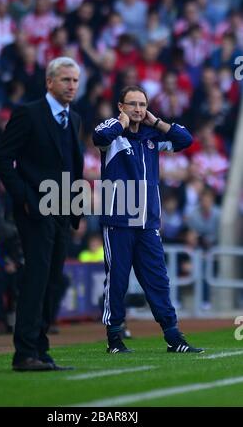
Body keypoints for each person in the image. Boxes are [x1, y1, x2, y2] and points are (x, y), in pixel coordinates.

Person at [93, 85, 204, 354]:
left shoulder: (151, 134)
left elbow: (185, 140)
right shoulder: (113, 131)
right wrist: (120, 123)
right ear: (121, 106)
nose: (138, 110)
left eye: (143, 104)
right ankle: (115, 338)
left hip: (148, 223)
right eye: (132, 104)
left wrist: (157, 121)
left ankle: (173, 336)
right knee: (117, 280)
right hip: (118, 221)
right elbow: (99, 137)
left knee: (158, 280)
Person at [0, 57, 83, 371]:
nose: (72, 86)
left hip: (62, 209)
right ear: (49, 82)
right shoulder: (28, 113)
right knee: (37, 277)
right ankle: (25, 353)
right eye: (66, 80)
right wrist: (26, 198)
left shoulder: (74, 120)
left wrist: (76, 207)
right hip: (35, 209)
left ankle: (41, 349)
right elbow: (3, 159)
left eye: (75, 80)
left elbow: (74, 167)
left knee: (53, 281)